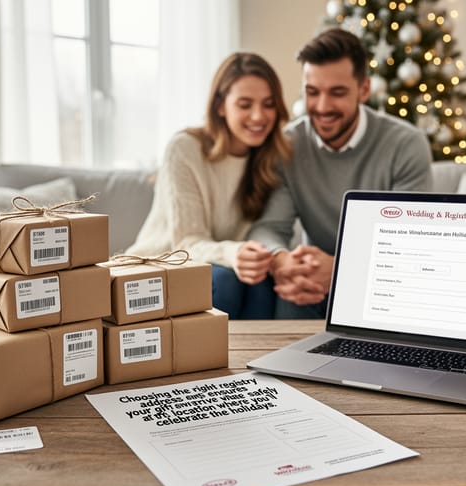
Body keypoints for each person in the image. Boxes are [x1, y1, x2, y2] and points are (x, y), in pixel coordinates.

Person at [248, 28, 433, 319]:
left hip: (384, 286)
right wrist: (282, 261)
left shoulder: (405, 144)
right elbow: (269, 227)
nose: (322, 107)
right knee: (295, 291)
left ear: (364, 90)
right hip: (310, 284)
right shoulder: (287, 145)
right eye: (312, 92)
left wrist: (340, 270)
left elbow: (411, 247)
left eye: (337, 93)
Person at [125, 52, 291, 319]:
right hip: (162, 264)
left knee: (261, 282)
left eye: (269, 104)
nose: (259, 116)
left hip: (229, 268)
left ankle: (258, 360)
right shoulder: (184, 148)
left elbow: (271, 229)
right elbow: (186, 243)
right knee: (224, 280)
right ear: (220, 106)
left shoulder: (271, 157)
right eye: (245, 104)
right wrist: (234, 252)